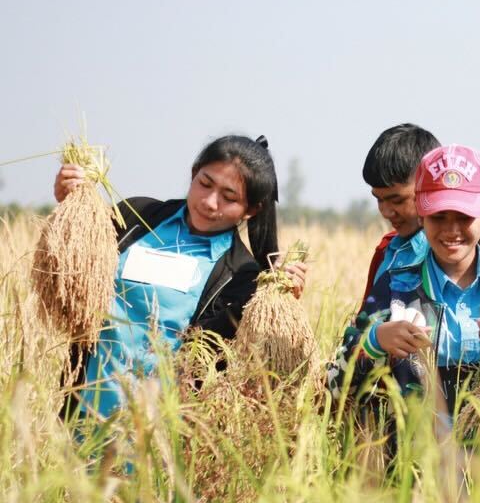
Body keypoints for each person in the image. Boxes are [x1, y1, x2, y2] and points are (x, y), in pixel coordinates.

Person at [56, 134, 307, 421]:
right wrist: (70, 203)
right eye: (205, 184)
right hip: (84, 410)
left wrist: (278, 293)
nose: (210, 202)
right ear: (193, 173)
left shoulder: (242, 276)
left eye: (229, 198)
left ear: (250, 210)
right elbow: (69, 279)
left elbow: (226, 365)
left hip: (160, 431)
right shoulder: (133, 217)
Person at [334, 143, 480, 417]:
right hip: (415, 458)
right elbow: (335, 387)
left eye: (464, 217)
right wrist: (374, 341)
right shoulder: (394, 288)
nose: (451, 230)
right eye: (438, 217)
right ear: (422, 215)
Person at [360, 124, 441, 302]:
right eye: (379, 200)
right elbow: (365, 322)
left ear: (431, 189)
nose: (386, 212)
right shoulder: (386, 251)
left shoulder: (465, 251)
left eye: (397, 200)